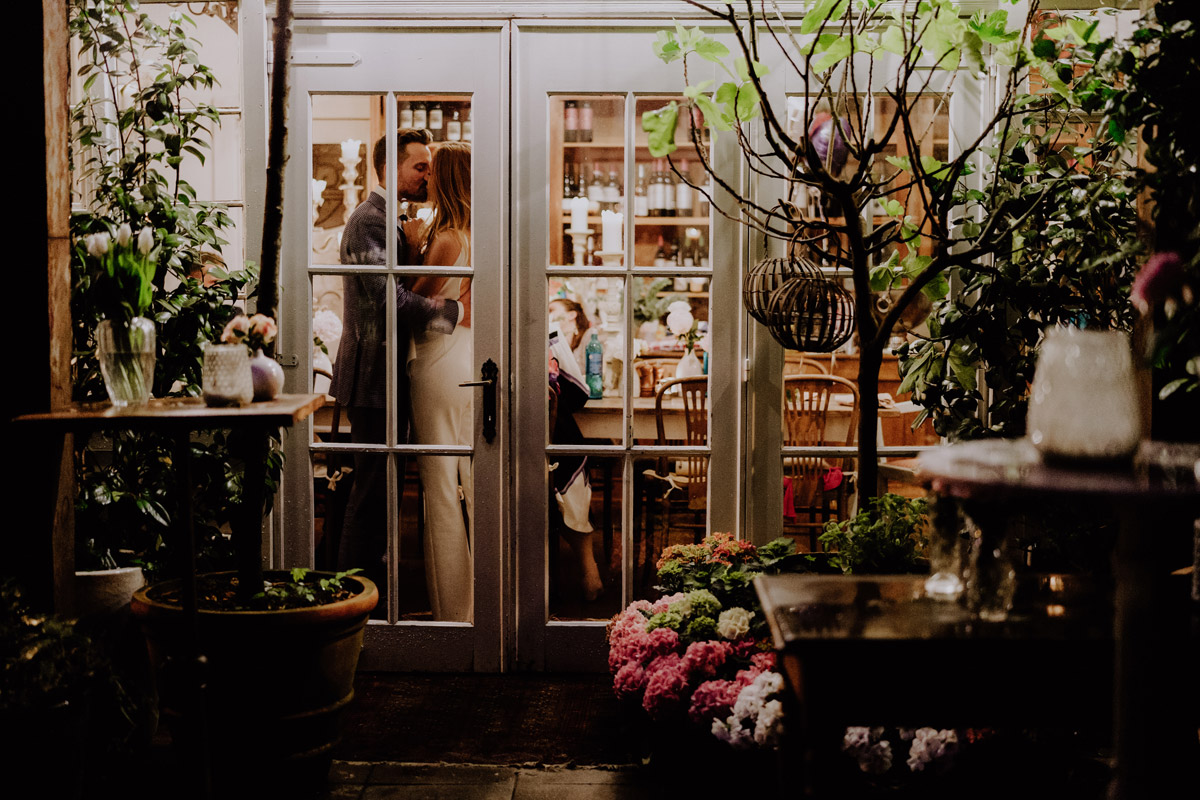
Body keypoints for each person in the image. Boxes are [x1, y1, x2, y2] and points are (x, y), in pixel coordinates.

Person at [331, 128, 462, 600]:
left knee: (382, 491)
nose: (428, 176)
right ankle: (355, 597)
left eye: (430, 167)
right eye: (420, 167)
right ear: (390, 168)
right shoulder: (368, 220)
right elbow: (389, 298)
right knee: (370, 494)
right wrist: (452, 313)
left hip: (389, 371)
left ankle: (372, 591)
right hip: (372, 373)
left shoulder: (392, 220)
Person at [405, 142, 475, 622]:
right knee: (475, 482)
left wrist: (411, 248)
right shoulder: (475, 234)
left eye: (432, 173)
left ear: (445, 180)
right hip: (469, 359)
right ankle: (484, 604)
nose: (424, 179)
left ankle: (452, 611)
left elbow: (409, 302)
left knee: (442, 491)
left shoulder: (448, 238)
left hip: (438, 363)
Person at [548, 300, 604, 604]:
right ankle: (589, 569)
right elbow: (581, 394)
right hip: (553, 446)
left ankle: (586, 569)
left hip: (531, 444)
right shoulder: (551, 337)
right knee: (572, 466)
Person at [548, 297, 591, 376]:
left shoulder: (589, 336)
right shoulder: (553, 342)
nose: (548, 316)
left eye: (551, 310)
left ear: (572, 315)